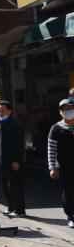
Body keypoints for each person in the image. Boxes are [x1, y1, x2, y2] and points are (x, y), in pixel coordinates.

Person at [0, 100, 26, 218]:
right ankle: (11, 207)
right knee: (6, 186)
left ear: (9, 111)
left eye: (3, 111)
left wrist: (16, 160)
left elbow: (19, 145)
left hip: (13, 162)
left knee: (15, 186)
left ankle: (20, 210)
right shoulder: (0, 123)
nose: (0, 113)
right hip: (3, 161)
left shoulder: (15, 125)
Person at [48, 96, 74, 229]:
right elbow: (51, 149)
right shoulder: (56, 128)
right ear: (60, 112)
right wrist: (52, 167)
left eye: (69, 108)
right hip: (65, 166)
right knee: (68, 191)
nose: (67, 111)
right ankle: (70, 216)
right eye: (64, 109)